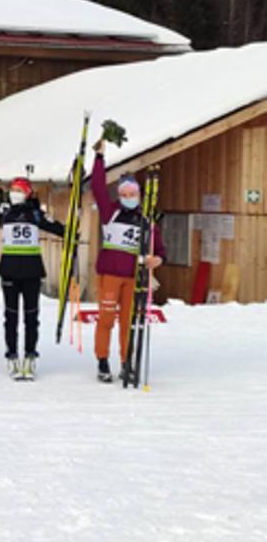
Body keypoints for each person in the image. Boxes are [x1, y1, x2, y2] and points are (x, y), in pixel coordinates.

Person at [0, 170, 65, 378]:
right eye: (12, 190)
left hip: (32, 272)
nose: (14, 193)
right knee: (10, 317)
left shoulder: (36, 214)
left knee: (31, 317)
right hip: (9, 271)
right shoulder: (5, 213)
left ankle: (30, 356)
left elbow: (60, 229)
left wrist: (73, 230)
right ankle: (12, 355)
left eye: (19, 190)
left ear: (27, 193)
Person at [91, 140, 165, 383]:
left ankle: (126, 362)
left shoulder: (146, 220)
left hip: (135, 277)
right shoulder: (109, 211)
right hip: (111, 275)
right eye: (124, 194)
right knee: (106, 319)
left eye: (132, 194)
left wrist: (157, 260)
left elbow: (159, 248)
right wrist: (100, 158)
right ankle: (102, 360)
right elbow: (98, 187)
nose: (128, 198)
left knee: (128, 322)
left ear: (139, 195)